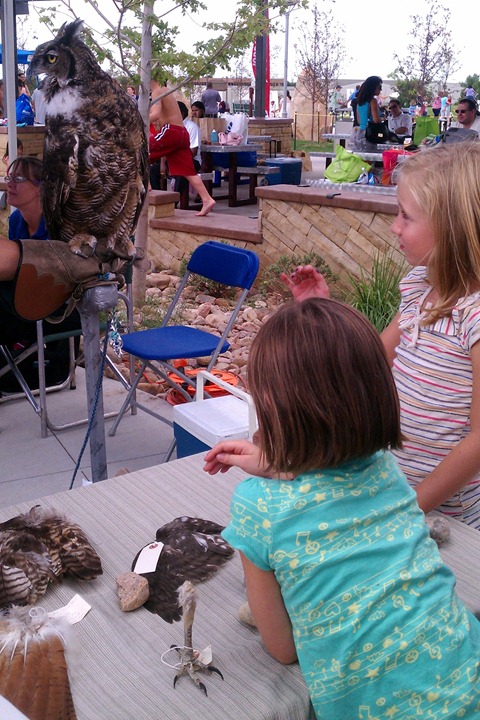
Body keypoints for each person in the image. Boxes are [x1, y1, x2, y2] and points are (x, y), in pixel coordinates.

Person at [204, 298, 480, 719]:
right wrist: (281, 463)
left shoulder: (257, 508)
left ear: (273, 410)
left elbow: (283, 648)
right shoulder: (385, 468)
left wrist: (278, 468)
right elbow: (336, 475)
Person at [280, 142, 480, 528]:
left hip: (444, 516)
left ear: (454, 228)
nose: (394, 226)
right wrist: (326, 310)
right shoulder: (421, 288)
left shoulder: (473, 317)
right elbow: (369, 359)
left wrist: (408, 509)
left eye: (406, 216)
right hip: (394, 491)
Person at [0, 157, 81, 387]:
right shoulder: (17, 220)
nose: (10, 184)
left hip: (59, 312)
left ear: (40, 188)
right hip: (25, 304)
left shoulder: (60, 225)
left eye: (18, 178)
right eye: (9, 177)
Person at [149, 79, 215, 216]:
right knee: (188, 171)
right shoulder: (166, 91)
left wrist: (135, 119)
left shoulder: (157, 92)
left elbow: (155, 115)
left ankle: (146, 186)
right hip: (181, 132)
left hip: (171, 131)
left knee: (139, 152)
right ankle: (207, 199)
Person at [351, 75, 383, 151]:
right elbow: (376, 120)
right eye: (379, 87)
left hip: (360, 133)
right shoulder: (373, 101)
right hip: (370, 133)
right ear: (373, 87)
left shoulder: (359, 101)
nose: (381, 89)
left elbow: (359, 120)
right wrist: (382, 118)